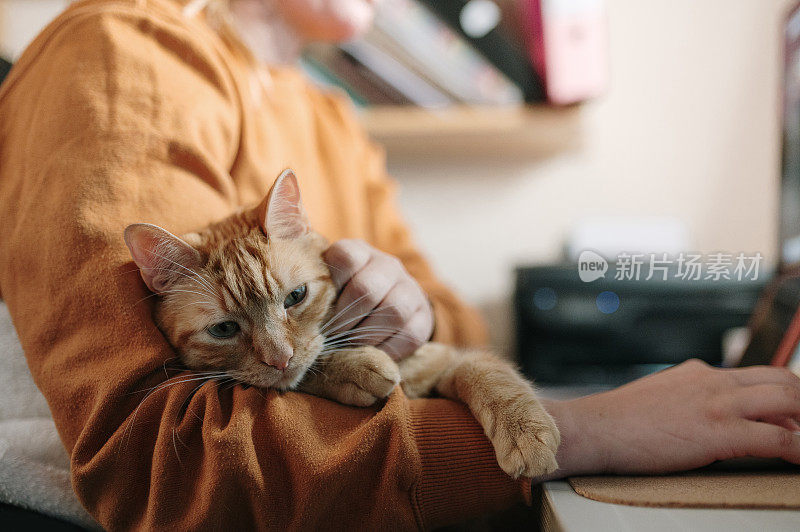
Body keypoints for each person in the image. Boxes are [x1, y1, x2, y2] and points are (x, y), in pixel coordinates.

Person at [0, 0, 798, 528]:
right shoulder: (121, 52)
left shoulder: (330, 118)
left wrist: (410, 317)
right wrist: (587, 429)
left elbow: (457, 324)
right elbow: (160, 463)